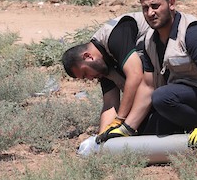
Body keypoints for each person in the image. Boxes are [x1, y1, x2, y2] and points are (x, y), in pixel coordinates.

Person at [102, 0, 197, 147]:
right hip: (183, 98)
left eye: (155, 6)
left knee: (162, 97)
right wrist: (126, 128)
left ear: (172, 4)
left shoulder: (193, 32)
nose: (150, 13)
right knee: (146, 133)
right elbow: (148, 86)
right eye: (145, 8)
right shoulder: (149, 40)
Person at [62, 12, 151, 143]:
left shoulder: (115, 36)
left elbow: (136, 75)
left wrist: (120, 120)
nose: (90, 78)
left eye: (85, 73)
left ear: (88, 56)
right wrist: (102, 138)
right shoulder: (102, 66)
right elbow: (110, 104)